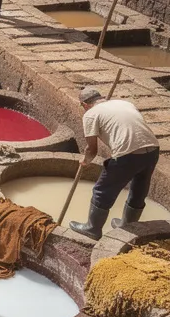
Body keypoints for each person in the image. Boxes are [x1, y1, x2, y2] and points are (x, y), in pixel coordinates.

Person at [68, 87, 162, 239]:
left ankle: (92, 229)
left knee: (102, 191)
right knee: (139, 188)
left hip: (127, 154)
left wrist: (85, 161)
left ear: (84, 104)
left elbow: (92, 149)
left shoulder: (90, 114)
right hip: (152, 150)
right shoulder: (124, 103)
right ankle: (127, 226)